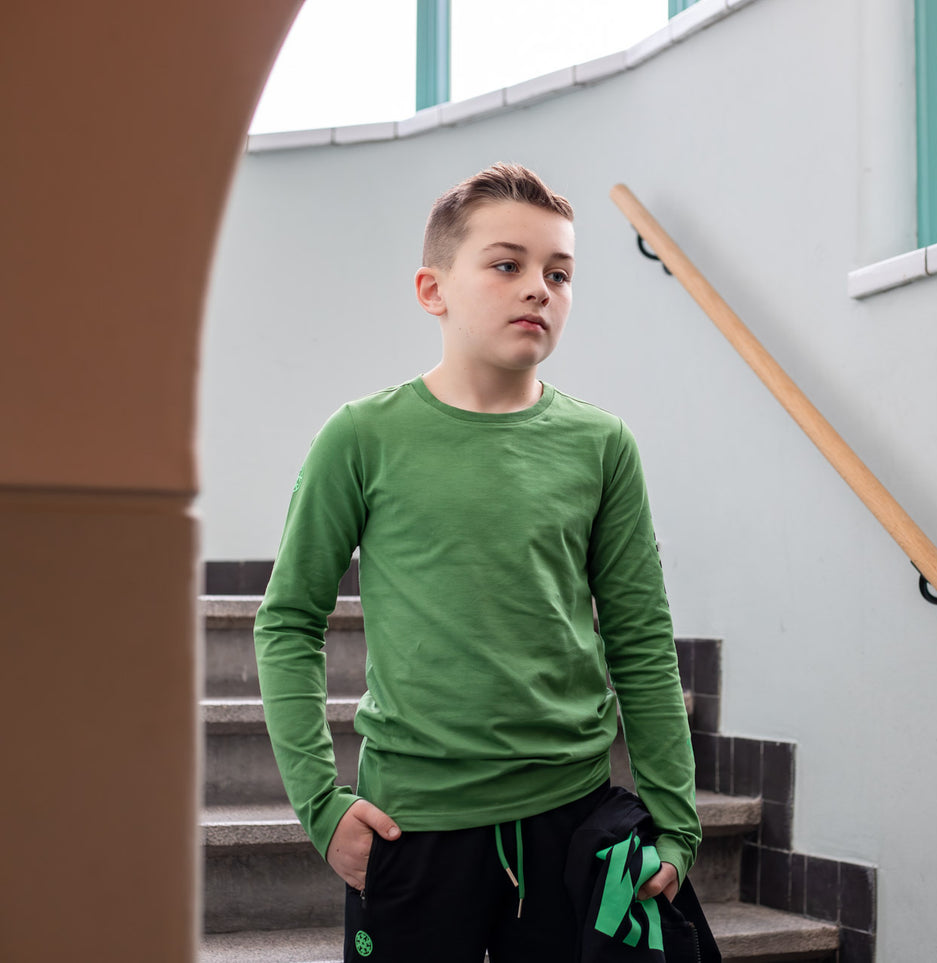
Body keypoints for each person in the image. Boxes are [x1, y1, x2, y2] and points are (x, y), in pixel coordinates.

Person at [254, 162, 701, 962]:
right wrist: (321, 804)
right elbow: (287, 620)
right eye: (506, 264)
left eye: (558, 273)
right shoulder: (360, 437)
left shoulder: (602, 445)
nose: (538, 288)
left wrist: (675, 823)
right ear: (433, 289)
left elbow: (639, 638)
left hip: (573, 822)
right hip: (413, 826)